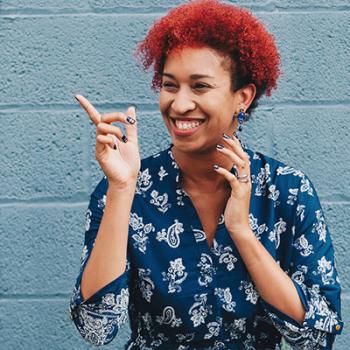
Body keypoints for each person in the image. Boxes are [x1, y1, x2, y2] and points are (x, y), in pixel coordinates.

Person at [69, 0, 343, 348]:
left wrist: (242, 232)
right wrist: (122, 188)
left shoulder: (287, 191)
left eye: (199, 87)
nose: (180, 104)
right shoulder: (126, 188)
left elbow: (317, 338)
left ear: (242, 97)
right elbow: (95, 328)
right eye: (170, 85)